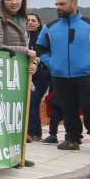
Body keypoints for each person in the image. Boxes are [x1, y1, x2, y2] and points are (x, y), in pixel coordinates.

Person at [35, 0, 90, 153]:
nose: (58, 7)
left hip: (86, 75)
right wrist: (52, 64)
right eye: (57, 4)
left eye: (62, 4)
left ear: (74, 4)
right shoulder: (50, 28)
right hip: (60, 76)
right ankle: (72, 139)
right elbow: (40, 48)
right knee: (68, 109)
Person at [27, 12, 55, 143]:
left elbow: (45, 54)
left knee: (33, 102)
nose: (30, 22)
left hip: (42, 75)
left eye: (33, 20)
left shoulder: (42, 38)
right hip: (28, 74)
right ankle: (37, 133)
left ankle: (30, 132)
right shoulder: (24, 37)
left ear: (38, 23)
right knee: (32, 103)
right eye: (28, 20)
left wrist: (37, 62)